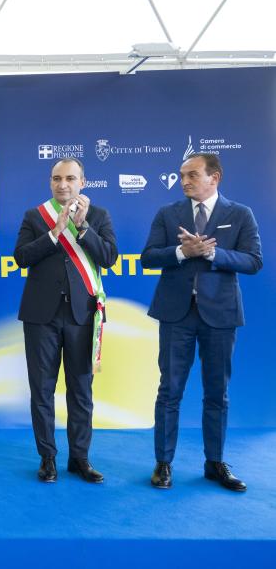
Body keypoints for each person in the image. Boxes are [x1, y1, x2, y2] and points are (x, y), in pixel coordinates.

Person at [141, 153, 262, 492]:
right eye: (182, 175)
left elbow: (253, 261)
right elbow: (148, 257)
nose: (184, 181)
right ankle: (163, 464)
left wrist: (212, 253)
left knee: (217, 392)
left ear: (215, 177)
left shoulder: (240, 214)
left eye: (192, 175)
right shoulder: (168, 213)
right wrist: (183, 252)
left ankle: (215, 463)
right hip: (176, 314)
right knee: (169, 391)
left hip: (220, 315)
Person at [13, 158, 118, 484]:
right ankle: (47, 458)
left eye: (70, 178)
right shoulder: (35, 216)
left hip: (82, 316)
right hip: (40, 316)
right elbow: (21, 257)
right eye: (57, 178)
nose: (63, 184)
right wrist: (55, 232)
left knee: (81, 391)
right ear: (50, 182)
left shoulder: (98, 216)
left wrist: (82, 228)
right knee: (42, 390)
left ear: (82, 182)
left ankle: (80, 458)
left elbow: (109, 258)